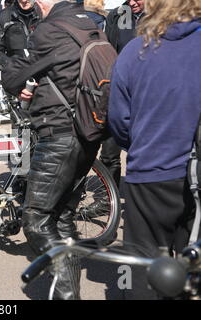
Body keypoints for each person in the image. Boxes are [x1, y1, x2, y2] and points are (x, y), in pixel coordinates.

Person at [1, 0, 101, 300]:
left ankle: (68, 295)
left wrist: (19, 79)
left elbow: (14, 77)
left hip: (58, 134)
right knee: (62, 216)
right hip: (87, 131)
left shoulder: (48, 30)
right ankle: (69, 285)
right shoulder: (90, 25)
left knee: (36, 219)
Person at [108, 0, 201, 300]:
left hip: (148, 172)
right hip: (193, 173)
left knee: (143, 268)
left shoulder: (134, 53)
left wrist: (143, 143)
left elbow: (120, 122)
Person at [95, 0, 145, 189]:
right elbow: (109, 52)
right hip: (121, 90)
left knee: (144, 148)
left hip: (148, 92)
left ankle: (142, 195)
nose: (132, 3)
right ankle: (108, 198)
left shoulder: (162, 15)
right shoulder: (118, 14)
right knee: (109, 151)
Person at [0, 0, 40, 72]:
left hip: (43, 75)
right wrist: (14, 68)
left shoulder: (45, 14)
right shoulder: (5, 16)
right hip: (16, 76)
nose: (24, 0)